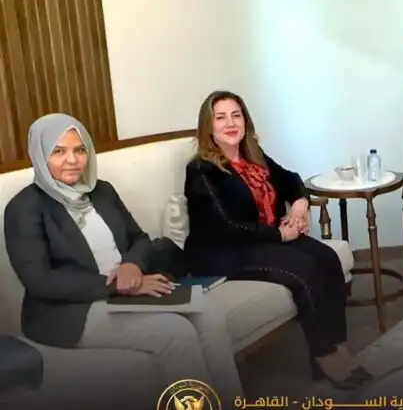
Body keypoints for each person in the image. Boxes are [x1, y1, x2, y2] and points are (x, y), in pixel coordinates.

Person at [4, 114, 243, 402]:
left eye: (79, 149)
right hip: (69, 311)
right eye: (59, 151)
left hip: (127, 287)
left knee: (209, 313)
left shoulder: (102, 190)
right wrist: (116, 284)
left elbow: (139, 239)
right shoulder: (24, 208)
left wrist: (132, 265)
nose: (73, 160)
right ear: (39, 156)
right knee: (176, 333)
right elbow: (39, 280)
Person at [183, 90, 371, 390]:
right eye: (221, 117)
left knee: (327, 257)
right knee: (304, 269)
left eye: (236, 115)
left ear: (245, 120)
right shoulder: (201, 170)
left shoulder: (252, 155)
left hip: (264, 237)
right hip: (224, 251)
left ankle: (336, 345)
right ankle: (324, 355)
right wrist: (281, 234)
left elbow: (290, 179)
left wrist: (299, 204)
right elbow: (226, 226)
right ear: (209, 126)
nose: (230, 123)